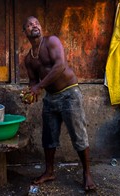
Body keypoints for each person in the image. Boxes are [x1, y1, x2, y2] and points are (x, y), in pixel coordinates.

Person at [22, 16, 96, 191]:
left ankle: (87, 174)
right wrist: (30, 93)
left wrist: (39, 86)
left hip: (70, 93)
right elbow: (33, 80)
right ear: (25, 31)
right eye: (30, 24)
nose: (34, 25)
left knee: (78, 134)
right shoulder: (28, 59)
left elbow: (60, 66)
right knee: (48, 137)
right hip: (51, 97)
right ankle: (49, 172)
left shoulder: (51, 41)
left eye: (37, 23)